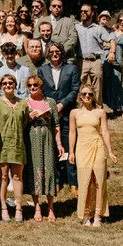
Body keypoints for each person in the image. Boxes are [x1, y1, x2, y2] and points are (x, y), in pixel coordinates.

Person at [70, 86, 118, 227]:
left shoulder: (100, 112)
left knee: (98, 181)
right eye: (84, 94)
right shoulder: (74, 113)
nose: (87, 96)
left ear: (93, 96)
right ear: (80, 96)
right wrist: (71, 152)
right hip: (82, 148)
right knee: (85, 181)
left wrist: (110, 151)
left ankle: (97, 215)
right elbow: (72, 133)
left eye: (90, 94)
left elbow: (105, 131)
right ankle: (85, 214)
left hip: (97, 147)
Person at [38, 43, 80, 192]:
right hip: (49, 114)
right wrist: (51, 106)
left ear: (61, 53)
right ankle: (55, 180)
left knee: (69, 147)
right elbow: (40, 91)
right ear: (48, 54)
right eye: (52, 52)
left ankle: (73, 181)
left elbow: (75, 89)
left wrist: (62, 105)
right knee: (53, 148)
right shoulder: (42, 70)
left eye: (57, 51)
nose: (55, 54)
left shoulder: (72, 69)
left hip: (67, 114)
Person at [23, 75, 62, 221]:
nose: (32, 88)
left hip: (47, 138)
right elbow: (21, 124)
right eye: (30, 85)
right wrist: (29, 118)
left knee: (49, 170)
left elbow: (56, 125)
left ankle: (51, 207)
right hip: (32, 138)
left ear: (41, 87)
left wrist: (59, 143)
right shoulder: (25, 103)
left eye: (35, 85)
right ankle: (37, 207)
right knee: (34, 171)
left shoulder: (50, 102)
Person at [0, 74, 28, 222]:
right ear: (1, 85)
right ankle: (3, 207)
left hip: (18, 144)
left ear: (15, 84)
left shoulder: (23, 104)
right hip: (2, 145)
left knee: (17, 177)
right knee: (3, 176)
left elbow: (24, 123)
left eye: (10, 82)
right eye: (4, 83)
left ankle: (19, 208)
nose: (7, 85)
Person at [76, 4, 110, 101]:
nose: (83, 13)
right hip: (81, 61)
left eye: (86, 11)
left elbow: (111, 39)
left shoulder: (98, 28)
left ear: (92, 13)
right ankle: (81, 109)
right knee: (80, 86)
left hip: (96, 61)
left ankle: (98, 109)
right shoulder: (76, 27)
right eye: (81, 11)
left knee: (97, 87)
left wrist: (112, 52)